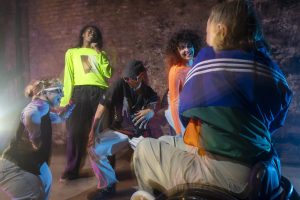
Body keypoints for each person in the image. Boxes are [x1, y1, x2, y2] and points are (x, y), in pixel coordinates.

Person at [132, 0, 292, 199]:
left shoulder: (208, 59)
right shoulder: (271, 69)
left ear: (220, 29)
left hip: (225, 175)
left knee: (144, 148)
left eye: (208, 26)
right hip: (264, 166)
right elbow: (277, 119)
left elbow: (185, 112)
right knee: (165, 140)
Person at [87, 60, 159, 199]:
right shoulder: (120, 84)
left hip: (139, 134)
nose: (126, 80)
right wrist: (93, 130)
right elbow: (102, 106)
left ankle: (153, 189)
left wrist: (151, 111)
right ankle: (108, 186)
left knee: (151, 159)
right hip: (120, 130)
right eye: (125, 77)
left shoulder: (148, 92)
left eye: (130, 78)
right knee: (94, 148)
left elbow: (155, 104)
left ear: (140, 77)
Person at [0, 78, 72, 200]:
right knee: (35, 196)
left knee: (45, 185)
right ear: (44, 93)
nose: (63, 94)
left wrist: (70, 108)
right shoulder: (39, 105)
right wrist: (35, 138)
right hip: (14, 167)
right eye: (59, 90)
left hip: (33, 163)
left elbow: (59, 118)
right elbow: (29, 114)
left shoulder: (45, 109)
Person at [60, 25, 113, 181]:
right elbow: (69, 77)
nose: (92, 33)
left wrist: (99, 53)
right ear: (82, 34)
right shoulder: (72, 53)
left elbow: (108, 73)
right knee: (75, 131)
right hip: (79, 93)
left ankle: (107, 170)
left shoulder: (101, 53)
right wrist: (65, 100)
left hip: (100, 92)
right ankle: (71, 170)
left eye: (95, 32)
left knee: (103, 132)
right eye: (89, 30)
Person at [164, 30, 202, 135]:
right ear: (176, 51)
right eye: (182, 48)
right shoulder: (175, 71)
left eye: (189, 46)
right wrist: (179, 131)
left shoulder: (198, 62)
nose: (187, 50)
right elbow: (174, 102)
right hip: (180, 106)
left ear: (194, 46)